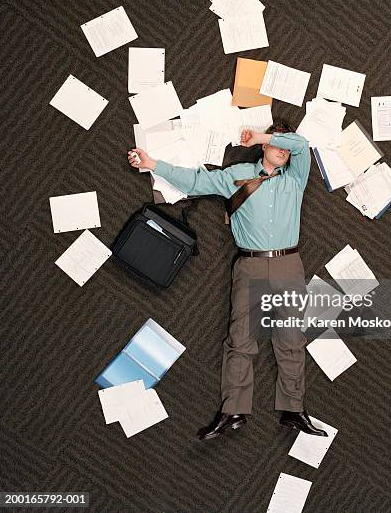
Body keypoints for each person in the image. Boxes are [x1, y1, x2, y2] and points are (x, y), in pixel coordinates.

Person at [128, 121, 327, 440]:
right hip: (250, 265)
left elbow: (301, 144)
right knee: (240, 340)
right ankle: (233, 410)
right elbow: (195, 181)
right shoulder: (237, 176)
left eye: (285, 148)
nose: (284, 150)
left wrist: (266, 137)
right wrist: (152, 164)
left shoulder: (295, 178)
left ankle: (293, 409)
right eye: (277, 145)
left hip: (289, 264)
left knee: (291, 339)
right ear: (264, 148)